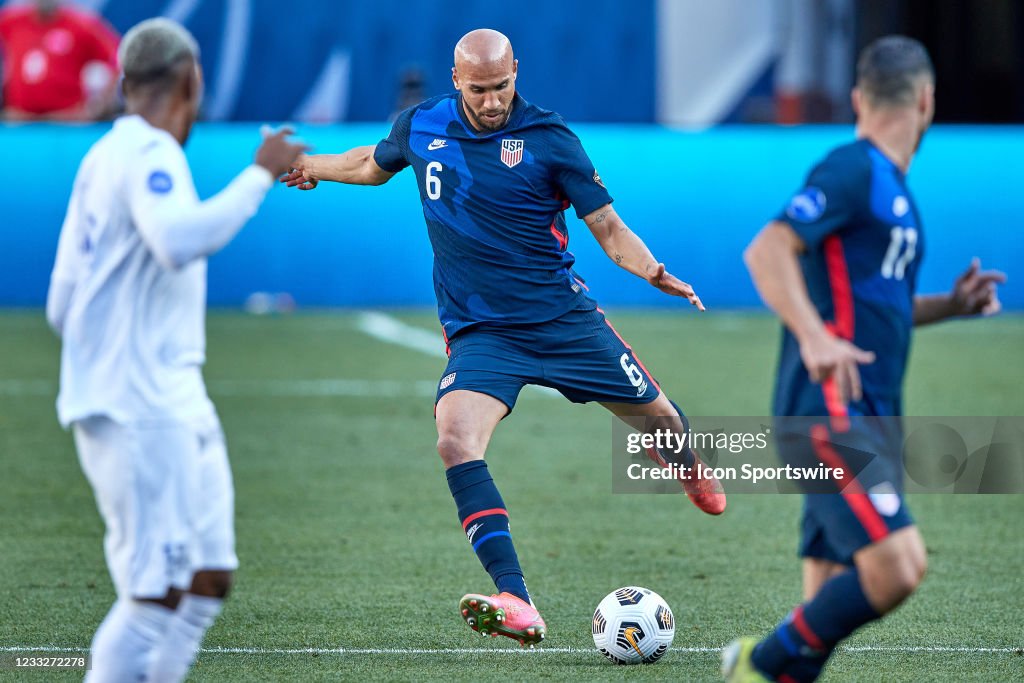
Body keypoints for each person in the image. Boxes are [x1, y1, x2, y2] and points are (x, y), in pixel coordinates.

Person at [281, 28, 725, 647]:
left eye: (502, 87)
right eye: (480, 89)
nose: (492, 102)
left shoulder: (550, 140)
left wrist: (652, 271)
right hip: (483, 333)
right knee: (455, 440)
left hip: (563, 323)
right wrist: (310, 166)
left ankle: (685, 464)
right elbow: (371, 163)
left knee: (662, 423)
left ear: (517, 71)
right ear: (456, 78)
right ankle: (516, 598)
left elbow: (608, 227)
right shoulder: (424, 124)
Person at [724, 36, 1005, 682]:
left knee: (822, 606)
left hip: (873, 418)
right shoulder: (854, 168)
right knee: (898, 564)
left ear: (858, 97)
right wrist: (814, 336)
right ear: (927, 99)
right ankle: (752, 665)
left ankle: (774, 669)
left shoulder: (894, 190)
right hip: (828, 410)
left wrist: (950, 306)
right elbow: (767, 249)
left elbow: (884, 305)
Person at [46, 18, 303, 682]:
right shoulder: (149, 153)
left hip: (169, 394)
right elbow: (176, 241)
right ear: (193, 79)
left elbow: (59, 303)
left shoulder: (104, 154)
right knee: (154, 593)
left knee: (207, 576)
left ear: (125, 83)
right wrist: (259, 175)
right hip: (139, 405)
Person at [0, 0, 119, 121]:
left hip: (66, 122)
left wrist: (99, 106)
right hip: (20, 121)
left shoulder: (82, 25)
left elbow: (117, 57)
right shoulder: (11, 21)